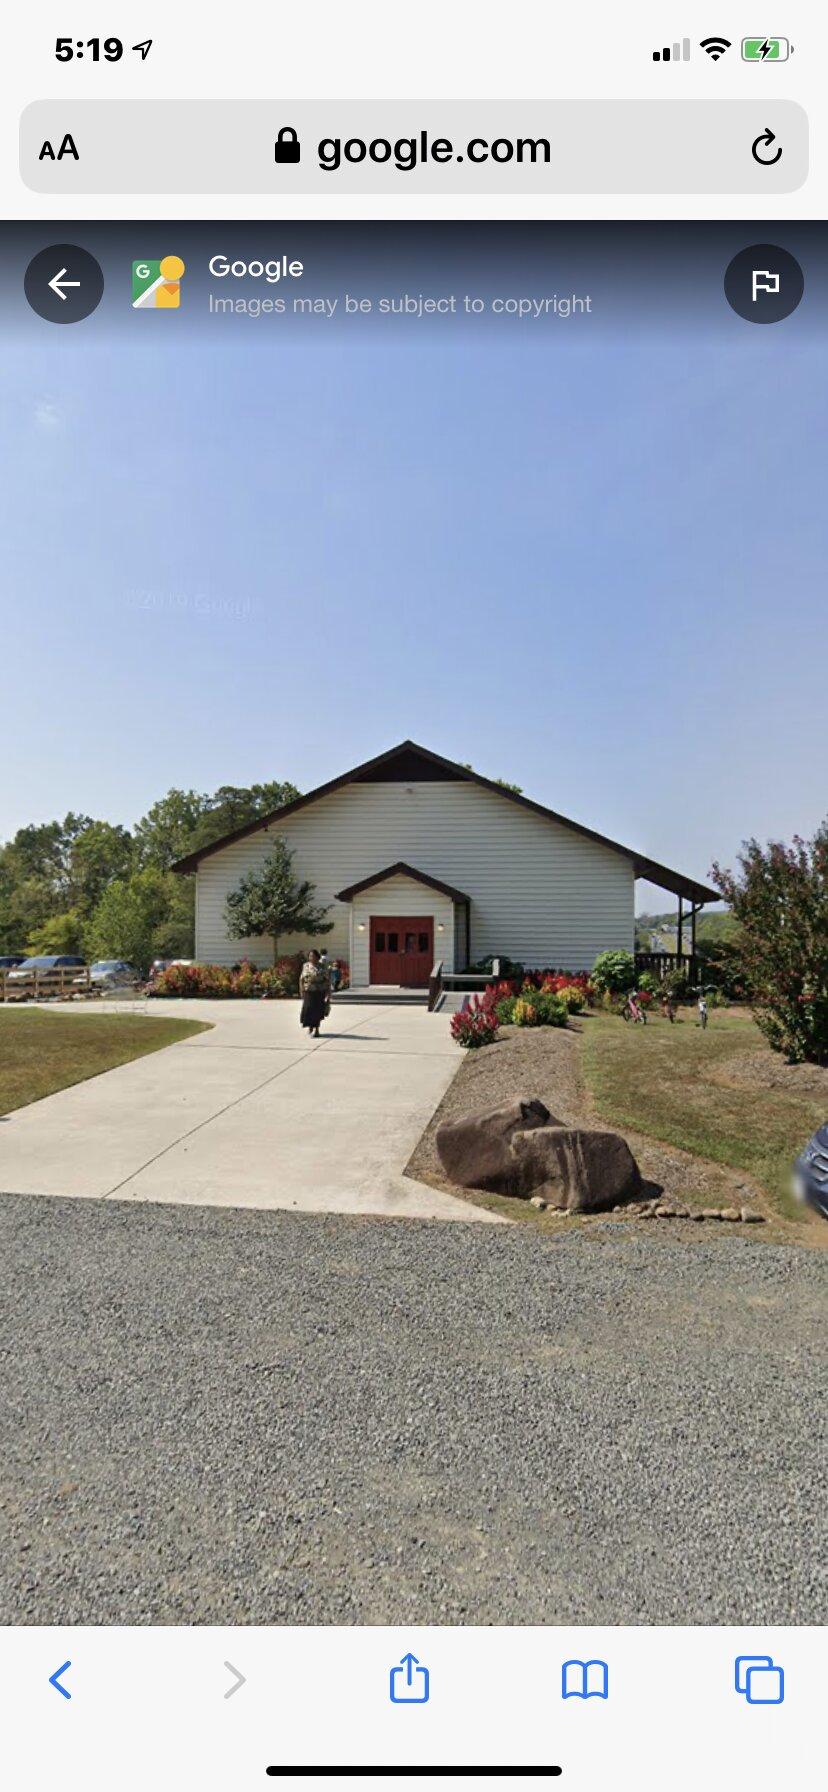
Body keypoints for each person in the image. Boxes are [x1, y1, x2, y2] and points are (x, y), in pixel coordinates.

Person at [299, 948, 330, 1038]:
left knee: (318, 1011)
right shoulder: (306, 966)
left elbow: (327, 980)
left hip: (319, 991)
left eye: (313, 956)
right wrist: (301, 990)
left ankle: (317, 1029)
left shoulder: (322, 966)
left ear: (317, 957)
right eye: (310, 956)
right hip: (309, 991)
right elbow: (301, 979)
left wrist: (328, 993)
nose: (311, 958)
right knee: (308, 1009)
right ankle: (310, 1026)